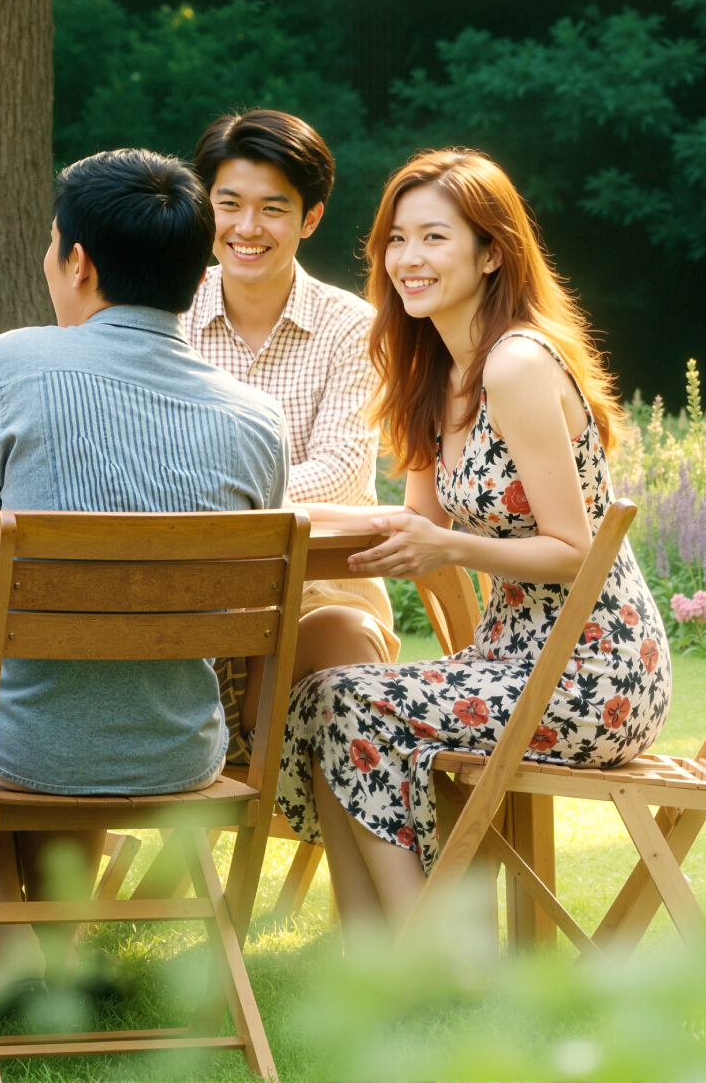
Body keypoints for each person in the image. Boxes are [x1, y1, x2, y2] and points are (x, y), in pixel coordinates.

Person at [0, 148, 288, 991]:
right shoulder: (256, 416)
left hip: (19, 740)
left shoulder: (16, 361)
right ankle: (54, 953)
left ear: (76, 261)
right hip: (183, 750)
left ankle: (17, 960)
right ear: (199, 277)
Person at [274, 149, 671, 935]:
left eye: (433, 239)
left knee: (349, 699)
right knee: (325, 695)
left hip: (593, 670)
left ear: (491, 253)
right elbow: (412, 519)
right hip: (510, 663)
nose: (407, 260)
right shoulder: (433, 369)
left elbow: (572, 550)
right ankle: (379, 960)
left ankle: (446, 958)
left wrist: (448, 550)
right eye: (395, 239)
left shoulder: (516, 364)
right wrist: (277, 516)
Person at [180, 110, 396, 747]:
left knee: (343, 637)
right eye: (229, 204)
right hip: (189, 590)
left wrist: (215, 502)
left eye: (273, 208)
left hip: (316, 586)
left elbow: (340, 472)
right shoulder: (169, 312)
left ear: (310, 218)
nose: (248, 228)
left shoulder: (352, 328)